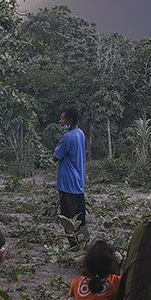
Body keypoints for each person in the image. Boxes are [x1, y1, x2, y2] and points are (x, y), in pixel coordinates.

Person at [54, 107, 87, 250]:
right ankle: (83, 242)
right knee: (79, 215)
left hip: (67, 183)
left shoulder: (67, 137)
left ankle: (74, 245)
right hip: (78, 181)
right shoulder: (81, 134)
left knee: (68, 217)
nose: (61, 121)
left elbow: (56, 156)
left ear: (70, 119)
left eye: (64, 118)